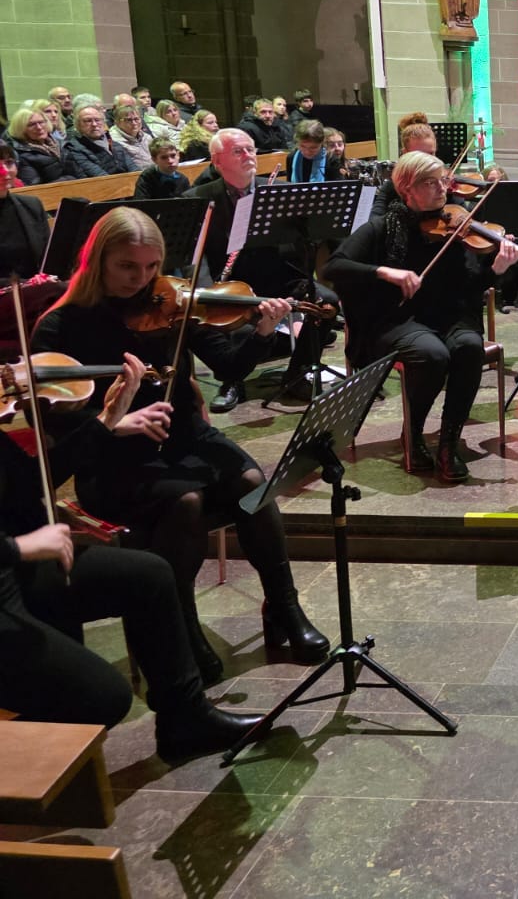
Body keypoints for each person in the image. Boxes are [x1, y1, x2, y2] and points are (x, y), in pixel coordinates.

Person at [31, 208, 328, 684]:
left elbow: (228, 367)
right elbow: (50, 419)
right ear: (97, 260)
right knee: (185, 502)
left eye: (152, 266)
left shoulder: (171, 302)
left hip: (184, 434)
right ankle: (180, 627)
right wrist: (114, 423)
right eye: (128, 267)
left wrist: (262, 331)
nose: (142, 279)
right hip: (110, 458)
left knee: (254, 484)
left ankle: (284, 607)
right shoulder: (60, 325)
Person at [0, 355, 262, 761]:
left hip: (15, 571)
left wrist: (108, 418)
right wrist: (20, 547)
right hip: (9, 578)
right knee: (105, 698)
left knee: (149, 576)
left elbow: (34, 482)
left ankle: (185, 722)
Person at [324, 151, 518, 480]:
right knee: (432, 354)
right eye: (430, 183)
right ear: (407, 188)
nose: (442, 188)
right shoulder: (383, 227)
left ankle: (448, 442)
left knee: (468, 347)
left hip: (450, 315)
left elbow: (472, 282)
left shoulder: (457, 224)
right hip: (396, 319)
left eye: (443, 180)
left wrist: (498, 268)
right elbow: (334, 267)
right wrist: (385, 272)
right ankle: (413, 434)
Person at [191, 129, 338, 409]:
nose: (248, 155)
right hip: (228, 285)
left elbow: (294, 249)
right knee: (209, 315)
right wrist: (209, 292)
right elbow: (197, 257)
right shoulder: (199, 198)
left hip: (276, 277)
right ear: (217, 161)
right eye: (238, 151)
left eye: (251, 149)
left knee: (327, 302)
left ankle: (298, 372)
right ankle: (231, 380)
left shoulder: (278, 191)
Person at [0, 145, 49, 277]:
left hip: (36, 285)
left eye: (9, 163)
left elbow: (47, 257)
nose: (5, 171)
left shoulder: (32, 205)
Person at [62, 102, 135, 178]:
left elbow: (134, 170)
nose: (94, 124)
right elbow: (101, 177)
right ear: (78, 125)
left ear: (104, 123)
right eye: (88, 121)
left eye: (97, 120)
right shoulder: (73, 148)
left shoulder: (114, 143)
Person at [9, 106, 67, 184]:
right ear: (21, 129)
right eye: (31, 124)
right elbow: (34, 185)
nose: (39, 127)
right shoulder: (20, 154)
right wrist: (69, 179)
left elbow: (79, 173)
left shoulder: (61, 144)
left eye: (41, 122)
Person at [110, 101, 155, 169]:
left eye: (136, 119)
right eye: (128, 120)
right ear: (117, 122)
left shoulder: (146, 137)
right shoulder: (114, 141)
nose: (134, 123)